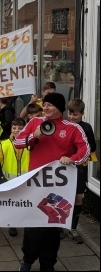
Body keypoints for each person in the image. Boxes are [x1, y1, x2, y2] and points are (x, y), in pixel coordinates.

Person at [14, 93, 90, 271]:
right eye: (44, 105)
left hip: (58, 189)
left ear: (60, 108)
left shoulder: (72, 128)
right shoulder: (34, 123)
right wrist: (34, 135)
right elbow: (17, 142)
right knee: (33, 227)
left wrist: (72, 159)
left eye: (50, 105)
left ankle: (48, 264)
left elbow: (85, 150)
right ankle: (27, 260)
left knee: (53, 229)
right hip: (36, 187)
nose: (46, 108)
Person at [67, 98, 97, 244]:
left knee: (78, 198)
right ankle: (60, 226)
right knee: (61, 197)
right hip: (63, 169)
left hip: (79, 168)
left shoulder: (86, 127)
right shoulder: (64, 126)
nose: (72, 117)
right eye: (70, 114)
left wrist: (78, 155)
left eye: (76, 115)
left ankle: (73, 228)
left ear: (83, 114)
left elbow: (92, 147)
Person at [0, 117, 30, 237]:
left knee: (23, 201)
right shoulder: (4, 144)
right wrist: (1, 177)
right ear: (11, 129)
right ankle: (12, 224)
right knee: (11, 203)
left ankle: (23, 221)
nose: (17, 130)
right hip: (9, 180)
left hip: (25, 179)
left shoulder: (29, 144)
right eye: (14, 128)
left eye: (20, 128)